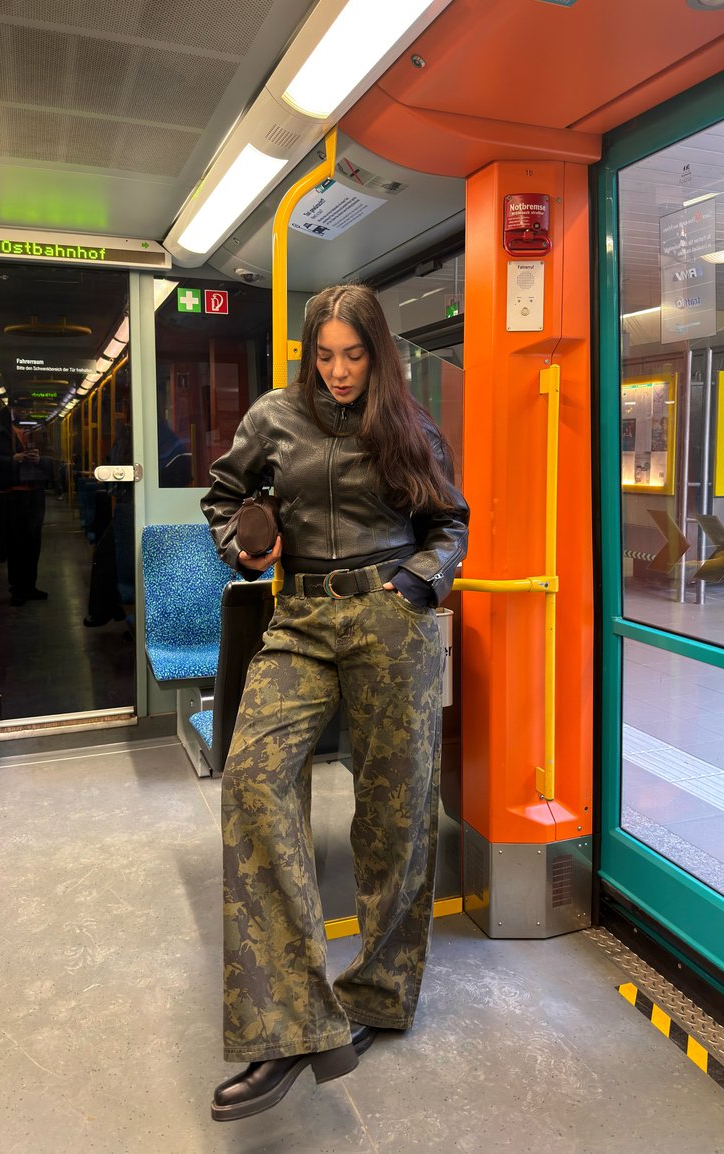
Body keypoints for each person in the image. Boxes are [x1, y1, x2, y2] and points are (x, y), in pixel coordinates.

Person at [201, 283, 469, 1123]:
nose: (340, 371)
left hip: (393, 619)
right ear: (308, 352)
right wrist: (245, 547)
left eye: (354, 355)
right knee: (252, 780)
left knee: (397, 811)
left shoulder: (409, 422)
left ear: (376, 352)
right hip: (304, 616)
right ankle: (290, 1022)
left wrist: (417, 587)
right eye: (326, 355)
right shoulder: (275, 416)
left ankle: (380, 994)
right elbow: (221, 499)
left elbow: (449, 527)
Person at [0, 405, 49, 606]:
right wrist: (11, 460)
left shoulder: (40, 429)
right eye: (19, 406)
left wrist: (40, 459)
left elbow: (57, 458)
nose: (23, 411)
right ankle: (17, 589)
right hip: (12, 494)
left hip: (35, 492)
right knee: (16, 544)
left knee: (34, 543)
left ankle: (30, 586)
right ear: (10, 407)